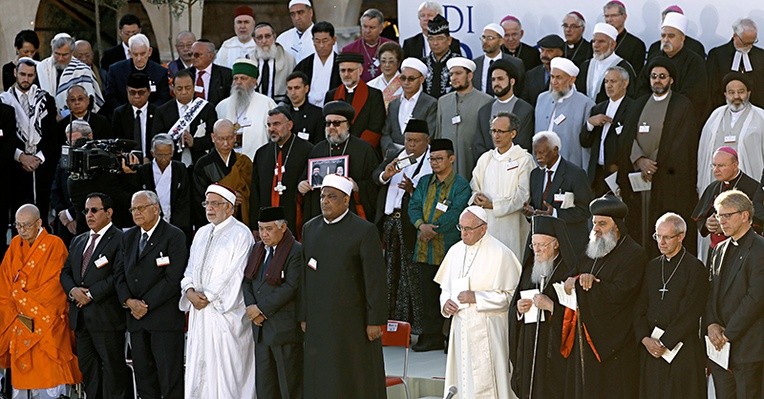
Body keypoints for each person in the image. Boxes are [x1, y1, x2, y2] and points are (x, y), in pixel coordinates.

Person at [300, 174, 387, 399]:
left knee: (354, 377)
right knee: (323, 376)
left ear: (346, 200)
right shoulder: (310, 229)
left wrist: (375, 320)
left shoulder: (364, 231)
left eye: (332, 197)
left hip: (354, 324)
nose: (325, 201)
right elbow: (304, 277)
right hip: (320, 322)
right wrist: (304, 315)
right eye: (322, 196)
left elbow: (375, 280)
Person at [562, 194, 647, 399]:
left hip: (617, 342)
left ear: (616, 226)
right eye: (594, 223)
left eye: (602, 223)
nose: (596, 229)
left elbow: (621, 293)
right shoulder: (591, 249)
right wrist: (575, 280)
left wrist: (590, 285)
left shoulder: (634, 254)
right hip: (587, 336)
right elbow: (572, 275)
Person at [435, 205, 521, 399]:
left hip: (489, 328)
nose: (463, 233)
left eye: (468, 229)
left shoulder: (501, 253)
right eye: (461, 228)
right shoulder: (455, 251)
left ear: (483, 228)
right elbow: (445, 289)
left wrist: (477, 297)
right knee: (463, 380)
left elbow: (510, 297)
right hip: (461, 327)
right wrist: (446, 303)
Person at [180, 184, 256, 398]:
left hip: (225, 315)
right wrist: (189, 290)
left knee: (228, 373)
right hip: (200, 312)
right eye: (207, 203)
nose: (209, 208)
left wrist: (208, 296)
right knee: (201, 370)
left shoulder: (241, 234)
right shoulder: (201, 233)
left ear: (230, 208)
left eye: (215, 203)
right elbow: (190, 268)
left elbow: (235, 274)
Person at [618, 57, 698, 255]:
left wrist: (653, 163)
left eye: (662, 77)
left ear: (671, 80)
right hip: (639, 178)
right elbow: (628, 137)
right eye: (654, 76)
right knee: (639, 227)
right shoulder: (639, 103)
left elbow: (680, 142)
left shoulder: (681, 105)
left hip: (666, 180)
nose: (657, 81)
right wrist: (639, 160)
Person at [0, 204, 81, 398]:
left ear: (39, 223)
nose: (21, 230)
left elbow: (55, 287)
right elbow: (4, 284)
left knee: (49, 380)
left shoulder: (55, 244)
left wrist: (20, 298)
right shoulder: (14, 246)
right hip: (19, 321)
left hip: (47, 322)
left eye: (26, 225)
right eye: (18, 226)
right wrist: (17, 304)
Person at [114, 191, 187, 399]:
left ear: (156, 209)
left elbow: (173, 278)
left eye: (141, 208)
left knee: (169, 380)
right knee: (144, 379)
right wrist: (129, 301)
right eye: (133, 209)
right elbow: (119, 274)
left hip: (163, 320)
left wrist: (143, 304)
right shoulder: (128, 237)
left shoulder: (174, 235)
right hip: (136, 321)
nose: (136, 213)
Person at [59, 193, 132, 399]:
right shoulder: (79, 240)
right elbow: (65, 272)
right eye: (86, 210)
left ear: (109, 213)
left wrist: (90, 294)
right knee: (88, 369)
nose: (88, 215)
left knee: (112, 371)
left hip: (107, 318)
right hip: (81, 319)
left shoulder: (121, 239)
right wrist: (73, 291)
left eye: (94, 210)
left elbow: (118, 275)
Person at [633, 212, 708, 398]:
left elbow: (691, 312)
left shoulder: (695, 268)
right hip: (652, 348)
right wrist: (644, 338)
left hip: (681, 349)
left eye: (667, 237)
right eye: (658, 236)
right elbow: (639, 307)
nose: (661, 242)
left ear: (681, 236)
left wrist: (665, 343)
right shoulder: (652, 267)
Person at [408, 137, 471, 351]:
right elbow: (414, 205)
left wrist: (430, 230)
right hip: (425, 250)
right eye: (432, 159)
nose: (434, 163)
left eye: (439, 158)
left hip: (448, 248)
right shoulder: (425, 182)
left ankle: (452, 338)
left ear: (451, 159)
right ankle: (431, 336)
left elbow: (456, 213)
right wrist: (419, 225)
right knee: (427, 295)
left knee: (452, 294)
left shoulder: (461, 185)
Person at [374, 119, 431, 334]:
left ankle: (415, 326)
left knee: (412, 275)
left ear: (427, 141)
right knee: (390, 272)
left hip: (412, 224)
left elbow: (431, 195)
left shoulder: (430, 161)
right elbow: (375, 176)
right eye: (408, 140)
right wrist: (385, 175)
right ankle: (389, 323)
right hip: (390, 221)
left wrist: (412, 189)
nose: (411, 145)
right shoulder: (395, 155)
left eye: (416, 141)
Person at [509, 216, 576, 399]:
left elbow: (577, 315)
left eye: (542, 245)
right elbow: (513, 310)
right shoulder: (529, 270)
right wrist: (518, 311)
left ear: (556, 244)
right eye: (534, 245)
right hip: (529, 343)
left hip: (553, 346)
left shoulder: (568, 271)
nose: (537, 250)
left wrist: (551, 306)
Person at [705, 190, 764, 399]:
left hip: (748, 348)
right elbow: (711, 291)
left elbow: (756, 299)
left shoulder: (760, 249)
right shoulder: (718, 248)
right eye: (719, 215)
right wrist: (711, 324)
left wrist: (728, 334)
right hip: (721, 350)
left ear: (745, 216)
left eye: (727, 215)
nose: (721, 221)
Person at [242, 206, 304, 399]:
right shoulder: (258, 248)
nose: (264, 234)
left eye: (269, 229)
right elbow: (247, 280)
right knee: (265, 387)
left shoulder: (295, 250)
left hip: (283, 331)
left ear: (283, 227)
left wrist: (261, 309)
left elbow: (291, 287)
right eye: (261, 229)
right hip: (261, 330)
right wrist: (252, 308)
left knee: (288, 387)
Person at [0, 58, 58, 231]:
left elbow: (52, 135)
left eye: (30, 75)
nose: (26, 79)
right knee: (17, 213)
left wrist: (38, 158)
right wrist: (21, 156)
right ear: (16, 73)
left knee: (40, 211)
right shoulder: (4, 100)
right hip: (14, 164)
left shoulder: (45, 99)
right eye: (23, 74)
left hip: (40, 165)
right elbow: (5, 139)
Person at [297, 101, 380, 222]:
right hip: (321, 216)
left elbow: (374, 185)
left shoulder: (364, 150)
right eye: (328, 123)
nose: (331, 127)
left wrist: (357, 187)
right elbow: (305, 179)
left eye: (336, 123)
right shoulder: (317, 150)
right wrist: (301, 186)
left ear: (348, 125)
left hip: (352, 215)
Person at [471, 112, 534, 257]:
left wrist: (494, 205)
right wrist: (476, 197)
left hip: (512, 227)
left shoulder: (523, 159)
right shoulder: (485, 159)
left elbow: (523, 196)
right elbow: (475, 185)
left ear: (513, 133)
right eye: (493, 131)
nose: (496, 136)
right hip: (487, 226)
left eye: (501, 131)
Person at [524, 131, 593, 255]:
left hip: (569, 242)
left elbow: (585, 210)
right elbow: (537, 206)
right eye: (535, 153)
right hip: (543, 245)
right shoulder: (535, 174)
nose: (537, 157)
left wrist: (555, 213)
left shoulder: (576, 174)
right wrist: (530, 213)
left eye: (541, 152)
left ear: (555, 150)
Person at [691, 147, 764, 261]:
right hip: (715, 249)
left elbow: (758, 221)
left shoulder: (753, 188)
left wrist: (729, 225)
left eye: (721, 166)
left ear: (735, 165)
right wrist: (707, 224)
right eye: (714, 165)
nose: (716, 170)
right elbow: (700, 217)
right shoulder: (713, 187)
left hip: (742, 251)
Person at [250, 106, 313, 235]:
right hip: (267, 222)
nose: (272, 128)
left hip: (295, 220)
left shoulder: (307, 150)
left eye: (276, 124)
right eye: (269, 125)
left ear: (289, 125)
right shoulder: (261, 153)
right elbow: (255, 191)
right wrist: (254, 225)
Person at [698, 72, 764, 191]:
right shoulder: (715, 116)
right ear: (725, 94)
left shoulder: (760, 117)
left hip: (750, 180)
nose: (736, 96)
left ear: (748, 93)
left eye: (741, 92)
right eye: (731, 92)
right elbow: (703, 152)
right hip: (717, 183)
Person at [434, 57, 493, 179]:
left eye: (458, 73)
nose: (454, 77)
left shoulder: (486, 101)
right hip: (447, 166)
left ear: (470, 76)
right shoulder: (443, 101)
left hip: (474, 163)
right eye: (451, 74)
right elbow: (438, 135)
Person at [638, 12, 707, 114]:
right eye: (663, 36)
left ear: (682, 38)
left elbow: (695, 95)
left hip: (680, 115)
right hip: (652, 111)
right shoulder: (654, 58)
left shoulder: (694, 61)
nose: (666, 40)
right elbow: (641, 88)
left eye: (671, 36)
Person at [580, 66, 633, 196]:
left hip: (618, 172)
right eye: (606, 81)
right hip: (597, 172)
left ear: (625, 83)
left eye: (613, 81)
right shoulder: (598, 108)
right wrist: (590, 124)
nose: (608, 85)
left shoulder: (633, 108)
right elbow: (585, 142)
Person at [535, 56, 595, 170]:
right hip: (542, 166)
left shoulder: (586, 104)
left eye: (559, 78)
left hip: (570, 168)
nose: (554, 82)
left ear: (571, 80)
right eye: (552, 77)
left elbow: (586, 146)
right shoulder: (542, 98)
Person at [193, 119, 253, 227]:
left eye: (229, 138)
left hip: (239, 220)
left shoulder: (243, 162)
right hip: (213, 222)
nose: (226, 143)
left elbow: (251, 192)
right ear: (213, 137)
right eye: (221, 139)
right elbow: (200, 198)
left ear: (235, 136)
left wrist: (242, 197)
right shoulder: (203, 164)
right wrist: (229, 198)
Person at [152, 69, 217, 166]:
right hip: (173, 164)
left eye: (188, 88)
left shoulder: (207, 108)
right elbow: (157, 140)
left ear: (194, 87)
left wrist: (194, 142)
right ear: (173, 89)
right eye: (179, 88)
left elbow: (214, 138)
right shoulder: (162, 111)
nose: (184, 92)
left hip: (200, 164)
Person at [133, 134, 192, 240]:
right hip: (151, 223)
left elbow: (184, 200)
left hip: (176, 223)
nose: (164, 159)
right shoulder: (144, 171)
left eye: (167, 154)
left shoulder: (180, 169)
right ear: (152, 153)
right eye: (160, 155)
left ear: (172, 153)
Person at [324, 51, 386, 150]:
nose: (346, 74)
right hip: (337, 149)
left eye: (350, 70)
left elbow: (376, 127)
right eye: (343, 70)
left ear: (360, 70)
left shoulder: (374, 95)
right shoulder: (331, 95)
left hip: (364, 150)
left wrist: (356, 148)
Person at [215, 58, 277, 157]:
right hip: (228, 161)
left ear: (254, 82)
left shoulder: (267, 103)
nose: (238, 82)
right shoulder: (222, 106)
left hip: (258, 160)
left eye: (243, 78)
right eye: (235, 78)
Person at [474, 59, 535, 155]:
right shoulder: (484, 111)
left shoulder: (525, 110)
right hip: (488, 166)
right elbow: (479, 145)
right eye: (493, 79)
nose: (496, 83)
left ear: (512, 81)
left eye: (500, 79)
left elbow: (523, 144)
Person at [36, 33, 103, 115]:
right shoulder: (42, 67)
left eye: (64, 55)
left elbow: (88, 101)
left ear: (72, 53)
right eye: (57, 54)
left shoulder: (82, 70)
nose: (60, 58)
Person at [380, 57, 437, 152]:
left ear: (421, 79)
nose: (406, 82)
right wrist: (391, 151)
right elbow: (386, 133)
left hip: (418, 156)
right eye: (403, 78)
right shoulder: (393, 104)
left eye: (411, 79)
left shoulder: (430, 103)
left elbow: (429, 134)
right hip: (393, 156)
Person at [104, 33, 171, 114]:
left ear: (149, 52)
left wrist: (146, 113)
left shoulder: (160, 72)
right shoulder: (116, 70)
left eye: (143, 54)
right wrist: (126, 112)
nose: (139, 58)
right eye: (135, 54)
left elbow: (163, 98)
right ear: (129, 53)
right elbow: (110, 96)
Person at [706, 18, 764, 110]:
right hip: (725, 110)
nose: (749, 46)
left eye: (752, 42)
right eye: (745, 43)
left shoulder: (761, 56)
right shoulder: (717, 55)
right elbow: (712, 89)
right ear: (735, 36)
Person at [575, 22, 636, 103]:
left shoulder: (623, 67)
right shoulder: (585, 65)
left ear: (613, 44)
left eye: (601, 41)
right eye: (594, 41)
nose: (596, 45)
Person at [292, 21, 341, 107]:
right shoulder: (303, 65)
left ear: (333, 40)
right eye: (317, 41)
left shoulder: (341, 65)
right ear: (313, 41)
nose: (321, 45)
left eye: (325, 41)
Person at [111, 72, 157, 158]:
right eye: (132, 92)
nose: (136, 96)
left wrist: (150, 159)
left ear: (149, 91)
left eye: (141, 92)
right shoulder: (119, 113)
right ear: (127, 91)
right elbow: (117, 143)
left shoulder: (157, 112)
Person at [472, 23, 525, 97]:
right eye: (483, 37)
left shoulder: (515, 63)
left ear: (501, 41)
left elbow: (520, 90)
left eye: (490, 38)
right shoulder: (475, 64)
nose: (485, 41)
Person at [341, 9, 393, 82]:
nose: (367, 31)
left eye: (372, 27)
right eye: (365, 26)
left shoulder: (391, 47)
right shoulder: (349, 50)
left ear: (381, 28)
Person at [251, 22, 295, 103]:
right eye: (259, 37)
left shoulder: (288, 60)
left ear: (274, 36)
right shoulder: (248, 59)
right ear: (254, 40)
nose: (264, 41)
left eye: (267, 36)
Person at [603, 1, 646, 75]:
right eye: (607, 16)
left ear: (624, 17)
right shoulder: (597, 42)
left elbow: (635, 74)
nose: (609, 20)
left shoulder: (636, 45)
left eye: (614, 15)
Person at [423, 14, 460, 99]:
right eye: (431, 39)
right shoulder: (422, 64)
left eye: (439, 38)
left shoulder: (458, 63)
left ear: (449, 40)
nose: (435, 43)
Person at [187, 39, 233, 107]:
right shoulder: (185, 74)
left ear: (210, 56)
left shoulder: (226, 75)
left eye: (197, 55)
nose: (193, 58)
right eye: (190, 54)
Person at [522, 34, 565, 107]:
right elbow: (525, 100)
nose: (544, 54)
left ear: (561, 52)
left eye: (550, 51)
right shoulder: (531, 74)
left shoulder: (569, 74)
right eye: (542, 50)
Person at [284, 71, 325, 144]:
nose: (293, 93)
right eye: (290, 88)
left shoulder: (318, 114)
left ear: (306, 89)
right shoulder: (283, 114)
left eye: (297, 88)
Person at [367, 42, 404, 109]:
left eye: (391, 61)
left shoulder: (405, 84)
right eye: (383, 61)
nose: (387, 65)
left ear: (398, 63)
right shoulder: (371, 85)